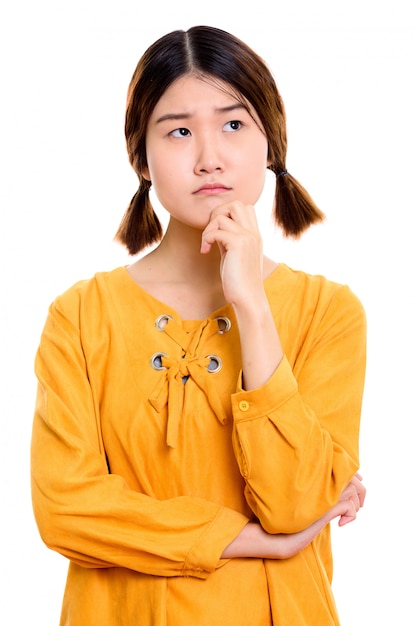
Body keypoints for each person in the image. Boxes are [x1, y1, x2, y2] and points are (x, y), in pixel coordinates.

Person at [30, 25, 367, 626]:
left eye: (234, 125)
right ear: (142, 156)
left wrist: (251, 307)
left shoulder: (327, 313)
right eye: (180, 130)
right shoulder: (81, 317)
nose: (209, 156)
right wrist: (252, 541)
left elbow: (294, 502)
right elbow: (64, 508)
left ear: (271, 143)